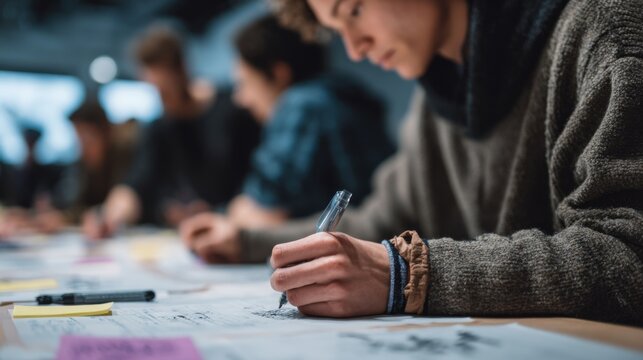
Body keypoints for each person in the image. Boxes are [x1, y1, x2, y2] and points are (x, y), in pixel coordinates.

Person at [180, 0, 643, 325]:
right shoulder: (438, 94)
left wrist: (406, 275)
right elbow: (378, 220)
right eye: (338, 31)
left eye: (354, 10)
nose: (356, 49)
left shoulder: (604, 33)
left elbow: (628, 254)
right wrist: (247, 241)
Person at [180, 15, 394, 239]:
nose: (241, 99)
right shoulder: (343, 97)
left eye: (245, 83)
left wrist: (238, 213)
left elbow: (262, 214)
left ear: (278, 73)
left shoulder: (302, 105)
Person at [83, 24, 261, 239]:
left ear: (182, 69)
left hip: (232, 228)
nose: (161, 99)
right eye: (154, 89)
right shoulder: (160, 126)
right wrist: (109, 216)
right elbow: (136, 184)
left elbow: (255, 178)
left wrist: (220, 212)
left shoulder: (233, 109)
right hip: (184, 236)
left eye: (165, 90)